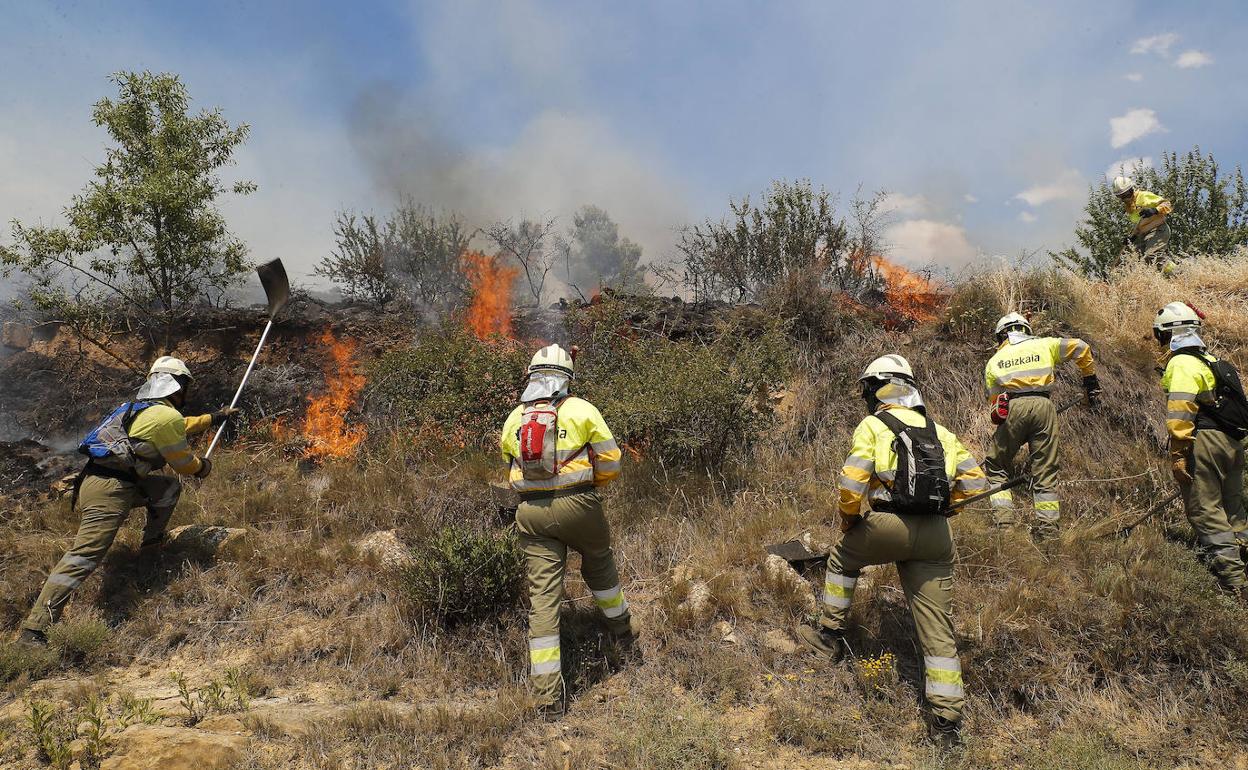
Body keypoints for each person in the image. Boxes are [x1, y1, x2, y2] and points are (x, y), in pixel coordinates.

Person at [796, 354, 988, 743]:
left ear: (878, 388)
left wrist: (850, 523)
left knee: (841, 558)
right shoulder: (941, 432)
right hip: (937, 534)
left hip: (887, 523)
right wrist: (945, 505)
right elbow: (976, 484)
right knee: (938, 631)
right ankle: (947, 724)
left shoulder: (873, 424)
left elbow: (851, 485)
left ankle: (829, 635)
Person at [17, 357, 233, 646]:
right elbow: (183, 463)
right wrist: (202, 467)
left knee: (167, 489)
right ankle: (35, 629)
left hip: (107, 482)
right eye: (185, 386)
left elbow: (181, 425)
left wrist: (214, 417)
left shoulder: (136, 408)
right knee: (85, 555)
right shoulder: (164, 417)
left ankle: (151, 548)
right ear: (177, 386)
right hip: (110, 490)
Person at [499, 344, 635, 716]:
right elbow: (611, 460)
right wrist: (594, 486)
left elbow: (510, 471)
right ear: (567, 378)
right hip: (579, 505)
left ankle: (547, 700)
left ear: (531, 377)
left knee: (543, 600)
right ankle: (623, 635)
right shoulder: (581, 409)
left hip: (531, 514)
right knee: (599, 565)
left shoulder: (515, 418)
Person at [1153, 302, 1247, 598]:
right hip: (1232, 443)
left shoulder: (1182, 363)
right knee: (1233, 506)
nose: (1161, 344)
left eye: (1161, 336)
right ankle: (1243, 558)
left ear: (1171, 333)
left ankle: (1233, 582)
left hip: (1204, 441)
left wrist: (1179, 451)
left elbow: (1181, 409)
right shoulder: (1212, 360)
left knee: (1204, 508)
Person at [982, 312, 1100, 538]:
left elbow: (995, 407)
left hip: (1014, 408)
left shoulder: (994, 361)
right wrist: (1090, 381)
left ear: (1001, 336)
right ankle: (1048, 531)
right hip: (1044, 406)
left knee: (997, 466)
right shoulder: (1045, 345)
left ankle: (1005, 525)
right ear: (1026, 329)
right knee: (1045, 471)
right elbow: (1081, 347)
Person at [1112, 175, 1177, 275]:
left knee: (1152, 255)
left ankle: (1179, 272)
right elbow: (1139, 224)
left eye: (1127, 194)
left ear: (1132, 189)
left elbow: (1167, 204)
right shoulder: (1129, 208)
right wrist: (1131, 237)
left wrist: (1155, 210)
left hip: (1158, 229)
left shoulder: (1143, 196)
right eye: (1121, 196)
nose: (1125, 198)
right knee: (1134, 259)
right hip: (1145, 234)